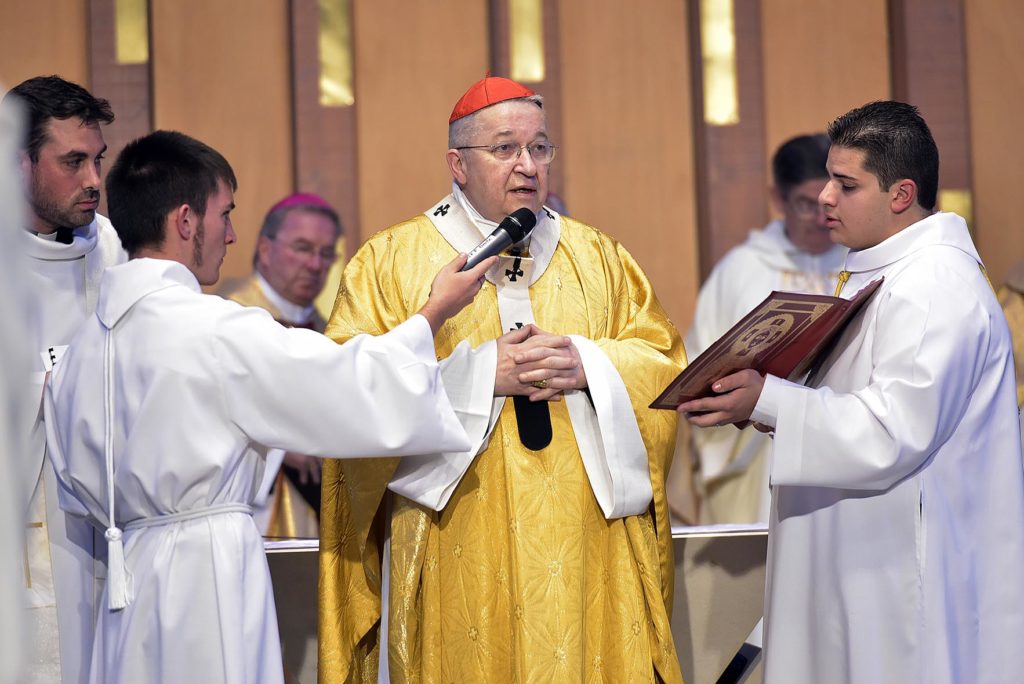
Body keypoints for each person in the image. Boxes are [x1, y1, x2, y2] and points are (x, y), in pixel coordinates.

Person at [42, 130, 494, 684]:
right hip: (206, 577)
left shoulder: (80, 350)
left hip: (125, 583)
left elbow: (70, 486)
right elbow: (349, 388)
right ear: (186, 221)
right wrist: (434, 311)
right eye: (224, 214)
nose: (231, 235)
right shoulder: (213, 328)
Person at [318, 76, 686, 683]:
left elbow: (664, 363)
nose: (528, 166)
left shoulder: (599, 257)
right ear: (456, 165)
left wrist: (591, 364)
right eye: (506, 149)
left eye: (540, 148)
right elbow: (348, 395)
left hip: (586, 541)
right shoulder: (389, 262)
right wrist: (476, 376)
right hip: (455, 533)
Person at [679, 101, 1024, 683]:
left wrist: (769, 400)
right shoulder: (883, 268)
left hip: (897, 574)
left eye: (845, 184)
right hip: (856, 554)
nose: (825, 199)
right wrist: (762, 406)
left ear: (900, 193)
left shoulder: (935, 283)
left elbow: (893, 431)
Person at [4, 75, 126, 684]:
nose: (94, 181)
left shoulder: (107, 246)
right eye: (72, 161)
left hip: (103, 530)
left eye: (97, 159)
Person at [676, 134, 846, 525]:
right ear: (778, 198)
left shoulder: (862, 265)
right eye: (806, 205)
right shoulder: (743, 270)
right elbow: (699, 372)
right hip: (755, 458)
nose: (821, 219)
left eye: (828, 201)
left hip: (843, 451)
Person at [219, 192, 344, 537]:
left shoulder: (330, 329)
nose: (316, 265)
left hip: (317, 509)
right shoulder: (228, 318)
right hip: (251, 509)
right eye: (303, 248)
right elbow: (207, 408)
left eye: (326, 253)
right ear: (264, 249)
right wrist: (278, 447)